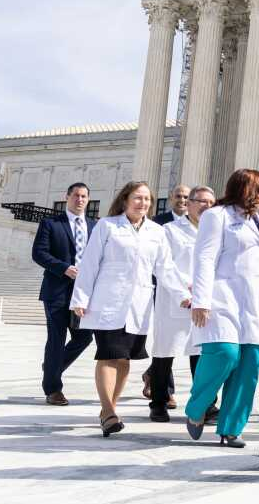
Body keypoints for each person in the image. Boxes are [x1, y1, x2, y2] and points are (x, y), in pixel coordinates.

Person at [70, 181, 174, 437]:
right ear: (125, 199)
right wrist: (80, 299)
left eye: (147, 199)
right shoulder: (108, 226)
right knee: (108, 354)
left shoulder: (156, 231)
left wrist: (184, 293)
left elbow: (165, 268)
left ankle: (111, 408)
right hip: (108, 301)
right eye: (138, 198)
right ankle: (107, 411)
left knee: (125, 358)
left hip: (139, 303)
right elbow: (90, 263)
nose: (144, 203)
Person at [185, 169, 259, 448]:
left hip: (254, 301)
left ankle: (231, 427)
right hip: (221, 297)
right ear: (242, 190)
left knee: (250, 363)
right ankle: (196, 407)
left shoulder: (258, 223)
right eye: (257, 191)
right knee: (224, 353)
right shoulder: (216, 216)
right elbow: (204, 257)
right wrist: (201, 300)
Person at [148, 185, 216, 422]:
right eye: (201, 201)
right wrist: (184, 291)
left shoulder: (216, 231)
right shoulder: (169, 230)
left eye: (210, 202)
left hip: (206, 301)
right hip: (176, 301)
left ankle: (205, 404)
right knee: (165, 353)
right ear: (189, 204)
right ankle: (158, 401)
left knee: (203, 354)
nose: (206, 206)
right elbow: (164, 266)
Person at [32, 182, 96, 405]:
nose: (80, 200)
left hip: (84, 292)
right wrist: (63, 268)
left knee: (84, 337)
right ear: (67, 197)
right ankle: (53, 389)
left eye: (84, 196)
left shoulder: (94, 225)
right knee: (56, 339)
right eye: (76, 195)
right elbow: (39, 253)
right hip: (57, 290)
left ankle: (52, 368)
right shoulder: (51, 223)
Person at [144, 183, 190, 399]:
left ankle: (153, 377)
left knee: (193, 344)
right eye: (178, 196)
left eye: (186, 197)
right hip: (162, 287)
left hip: (191, 293)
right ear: (171, 198)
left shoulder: (202, 224)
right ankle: (165, 392)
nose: (182, 200)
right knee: (165, 343)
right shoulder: (159, 223)